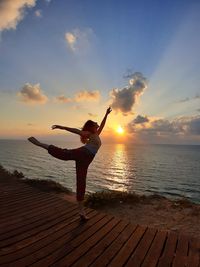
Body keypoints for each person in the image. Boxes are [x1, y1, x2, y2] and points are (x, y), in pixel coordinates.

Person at [28, 107, 112, 221]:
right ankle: (40, 144)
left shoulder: (97, 133)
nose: (98, 123)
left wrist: (106, 114)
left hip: (86, 160)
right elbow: (76, 131)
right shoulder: (88, 133)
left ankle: (81, 212)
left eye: (97, 123)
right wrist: (62, 127)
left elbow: (102, 124)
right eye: (95, 123)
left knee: (81, 183)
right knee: (64, 153)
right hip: (83, 153)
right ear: (92, 126)